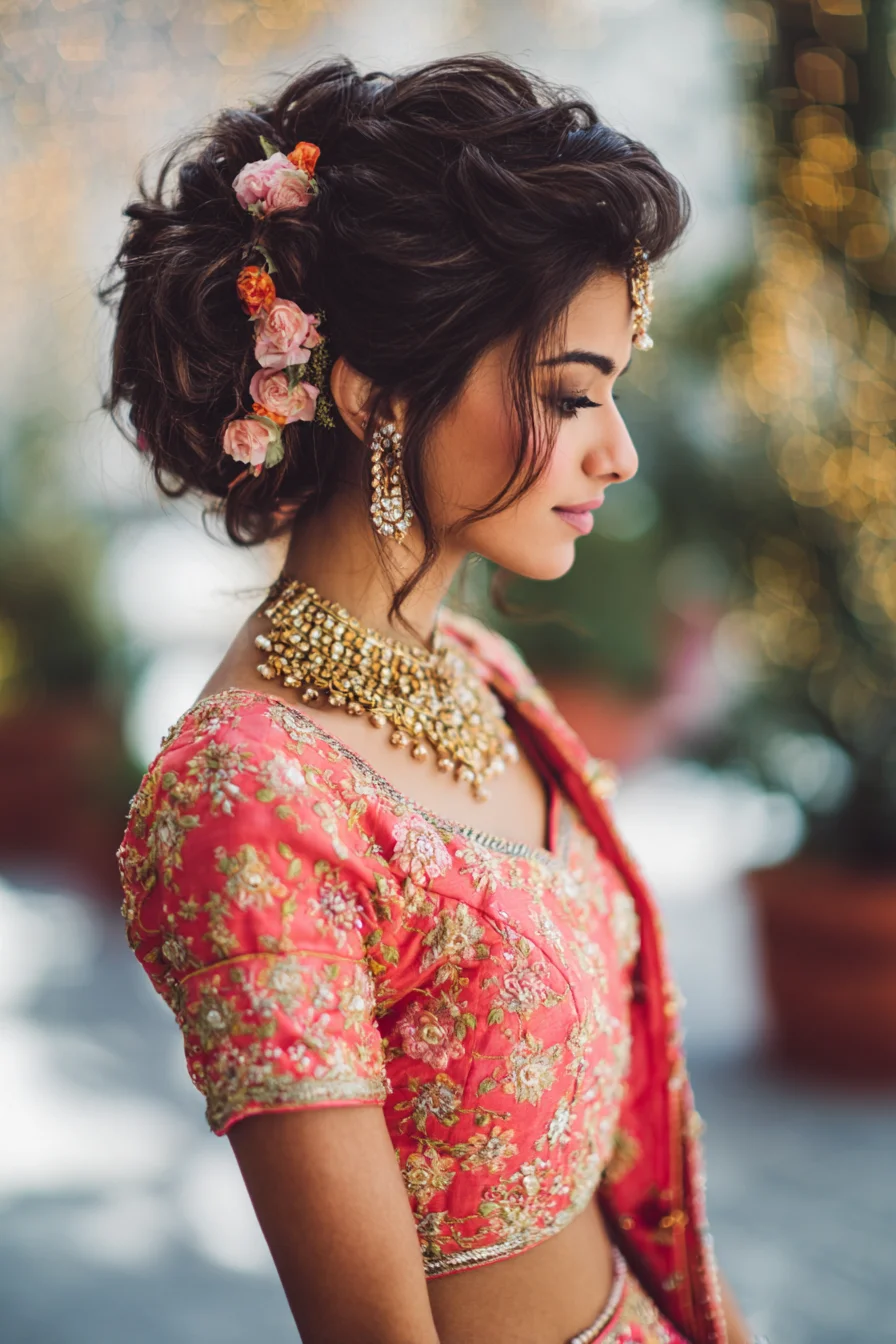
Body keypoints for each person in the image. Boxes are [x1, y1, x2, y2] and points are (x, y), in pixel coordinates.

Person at [104, 55, 761, 1344]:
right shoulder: (248, 798)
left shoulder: (484, 674)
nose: (615, 452)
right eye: (571, 395)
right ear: (375, 394)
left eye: (613, 396)